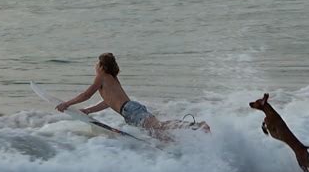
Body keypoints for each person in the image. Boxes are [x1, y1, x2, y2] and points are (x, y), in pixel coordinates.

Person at [55, 53, 209, 140]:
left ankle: (195, 126)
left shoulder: (102, 77)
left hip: (130, 110)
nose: (95, 66)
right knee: (159, 134)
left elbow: (87, 94)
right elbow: (108, 102)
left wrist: (66, 104)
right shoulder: (111, 79)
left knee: (159, 128)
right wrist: (88, 111)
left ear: (102, 66)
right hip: (131, 111)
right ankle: (183, 142)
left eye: (97, 63)